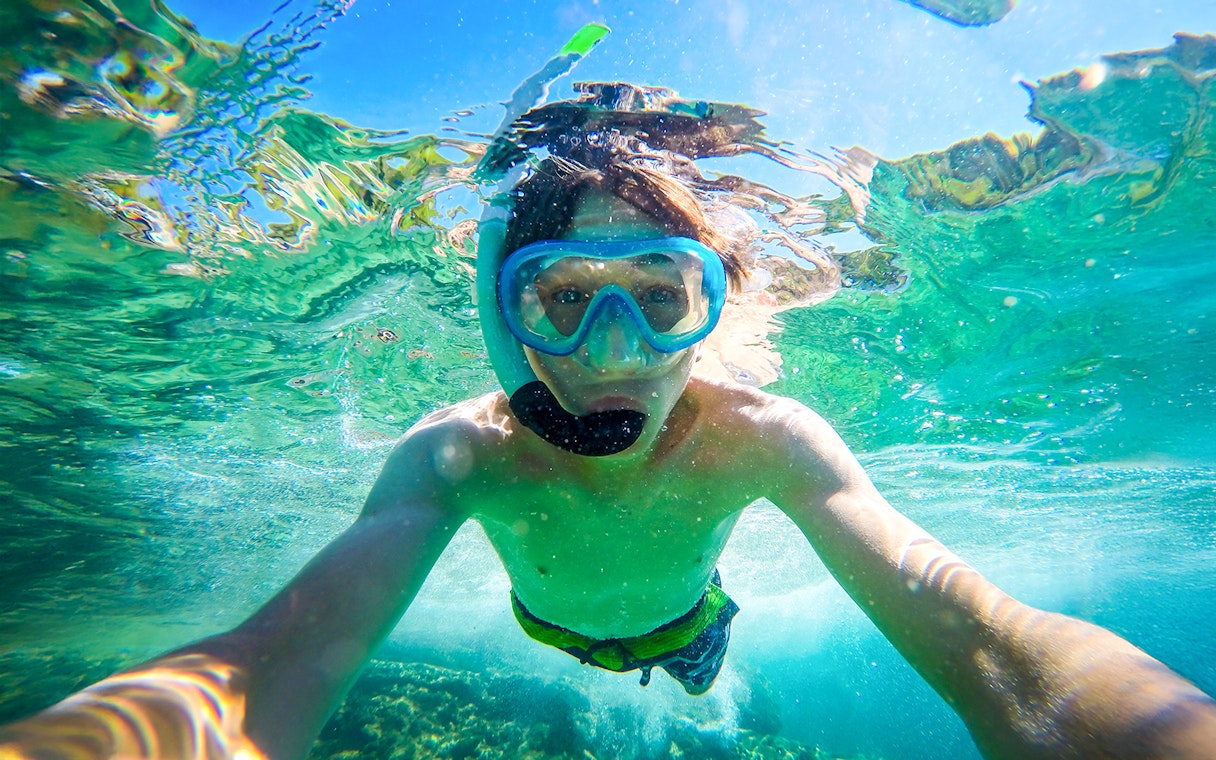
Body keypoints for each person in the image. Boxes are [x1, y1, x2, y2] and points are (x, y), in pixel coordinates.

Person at [2, 146, 1215, 760]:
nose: (616, 348)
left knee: (692, 668)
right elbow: (284, 649)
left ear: (717, 312)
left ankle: (702, 682)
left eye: (659, 295)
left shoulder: (766, 439)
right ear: (503, 317)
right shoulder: (457, 455)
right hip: (554, 627)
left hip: (691, 622)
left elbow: (987, 640)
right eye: (564, 301)